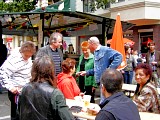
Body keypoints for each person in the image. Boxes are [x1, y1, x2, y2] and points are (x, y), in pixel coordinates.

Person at [18, 56, 74, 120]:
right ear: (52, 71)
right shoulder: (55, 93)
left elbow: (19, 112)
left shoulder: (25, 88)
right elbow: (67, 118)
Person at [0, 41, 36, 120]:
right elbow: (3, 73)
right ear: (22, 51)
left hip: (25, 88)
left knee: (25, 113)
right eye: (26, 56)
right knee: (17, 114)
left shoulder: (28, 56)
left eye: (30, 56)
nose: (27, 58)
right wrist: (11, 87)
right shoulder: (14, 59)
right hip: (16, 90)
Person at [80, 36, 122, 102]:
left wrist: (109, 70)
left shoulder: (105, 50)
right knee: (103, 101)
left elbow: (119, 56)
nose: (88, 47)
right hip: (101, 81)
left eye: (88, 44)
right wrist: (87, 72)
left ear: (92, 44)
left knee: (104, 101)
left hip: (106, 81)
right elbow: (98, 69)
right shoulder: (96, 52)